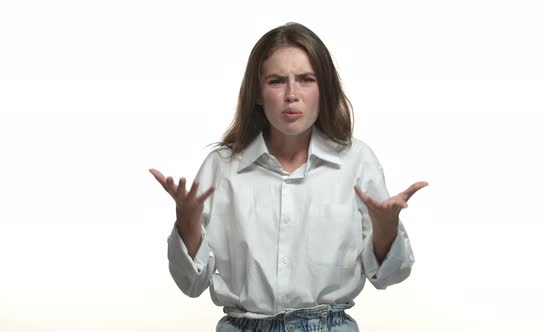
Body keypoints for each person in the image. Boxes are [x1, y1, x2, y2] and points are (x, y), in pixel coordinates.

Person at [149, 22, 428, 332]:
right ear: (257, 92)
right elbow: (192, 283)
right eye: (277, 81)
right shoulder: (221, 167)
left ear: (324, 88)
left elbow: (389, 276)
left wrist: (386, 229)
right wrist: (187, 223)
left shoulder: (356, 162)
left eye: (306, 79)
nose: (292, 95)